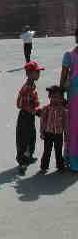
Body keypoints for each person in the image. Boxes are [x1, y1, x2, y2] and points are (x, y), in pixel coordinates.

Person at [16, 61, 44, 175]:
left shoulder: (32, 85)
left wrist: (36, 110)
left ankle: (28, 157)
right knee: (23, 140)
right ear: (29, 74)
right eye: (36, 72)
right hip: (25, 116)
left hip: (30, 115)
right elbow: (22, 105)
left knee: (31, 137)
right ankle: (22, 162)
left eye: (38, 72)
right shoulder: (27, 88)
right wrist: (37, 112)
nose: (38, 74)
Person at [60, 28, 78, 171]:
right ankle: (73, 161)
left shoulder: (69, 55)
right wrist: (60, 95)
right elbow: (63, 77)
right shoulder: (69, 56)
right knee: (73, 128)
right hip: (73, 97)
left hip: (73, 94)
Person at [38, 85, 67, 173]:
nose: (56, 99)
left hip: (58, 134)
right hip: (48, 133)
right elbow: (43, 121)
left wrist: (65, 133)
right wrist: (42, 132)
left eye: (58, 97)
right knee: (47, 151)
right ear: (49, 97)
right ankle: (44, 166)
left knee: (58, 151)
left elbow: (65, 122)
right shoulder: (46, 109)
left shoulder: (63, 110)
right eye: (54, 97)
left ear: (62, 98)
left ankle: (60, 166)